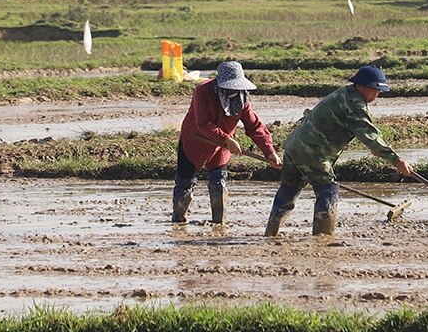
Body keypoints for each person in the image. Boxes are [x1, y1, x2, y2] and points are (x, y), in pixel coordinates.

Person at [264, 65, 413, 237]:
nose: (377, 95)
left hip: (294, 146)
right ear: (362, 86)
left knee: (289, 190)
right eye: (375, 90)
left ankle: (270, 233)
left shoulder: (344, 93)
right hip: (313, 153)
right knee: (328, 189)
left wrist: (382, 152)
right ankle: (324, 237)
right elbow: (369, 134)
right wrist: (395, 160)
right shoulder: (354, 104)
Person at [172, 61, 281, 224]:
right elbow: (202, 123)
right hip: (195, 141)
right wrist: (227, 139)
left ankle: (219, 223)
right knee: (186, 182)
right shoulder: (202, 91)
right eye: (230, 87)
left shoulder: (242, 98)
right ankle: (179, 221)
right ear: (220, 83)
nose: (234, 90)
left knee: (219, 182)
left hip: (222, 146)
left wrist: (269, 151)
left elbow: (254, 126)